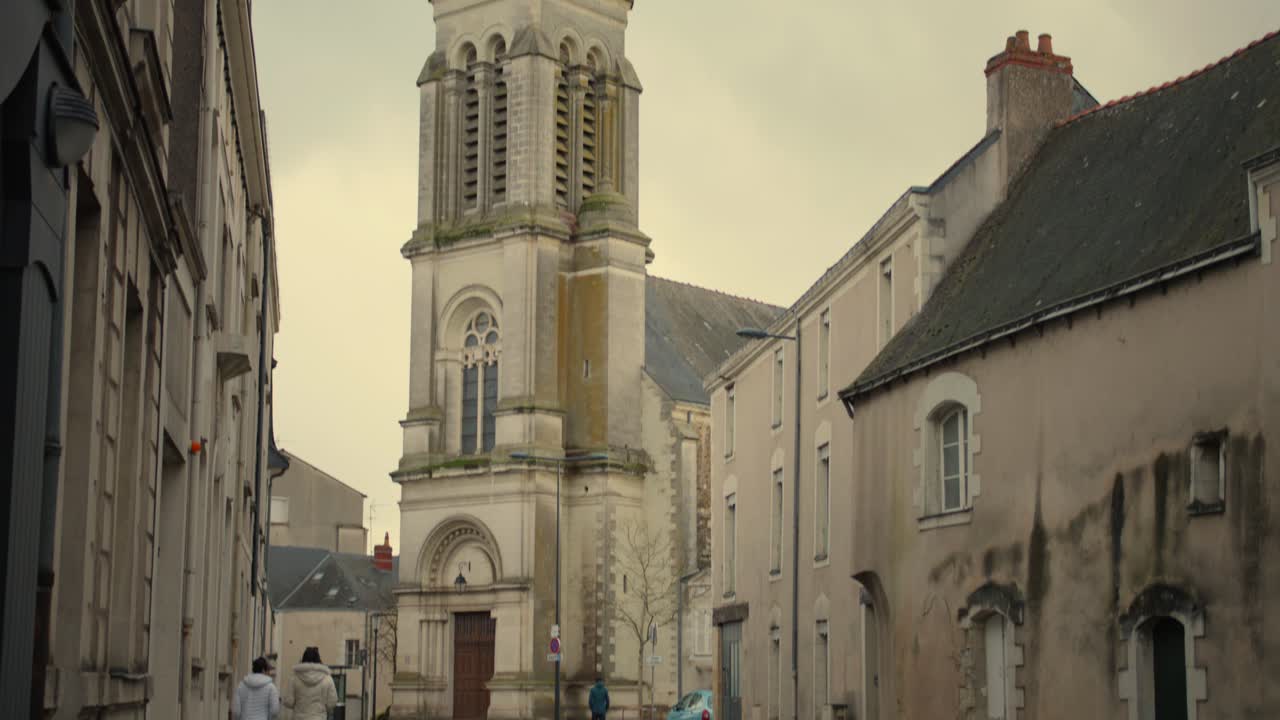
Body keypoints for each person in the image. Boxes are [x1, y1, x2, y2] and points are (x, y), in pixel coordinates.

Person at [282, 646, 339, 720]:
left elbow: (288, 702)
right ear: (319, 660)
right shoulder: (327, 678)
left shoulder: (294, 678)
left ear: (303, 659)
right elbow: (332, 702)